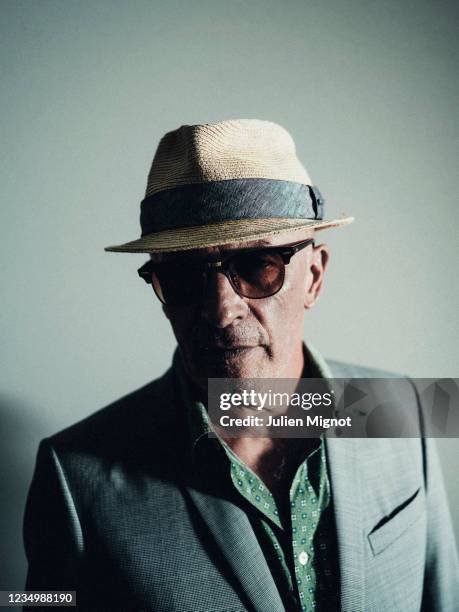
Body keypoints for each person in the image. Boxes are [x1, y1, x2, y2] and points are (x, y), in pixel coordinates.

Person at [23, 119, 458, 611]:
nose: (220, 308)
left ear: (314, 277)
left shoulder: (405, 409)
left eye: (257, 267)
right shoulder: (76, 473)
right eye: (183, 277)